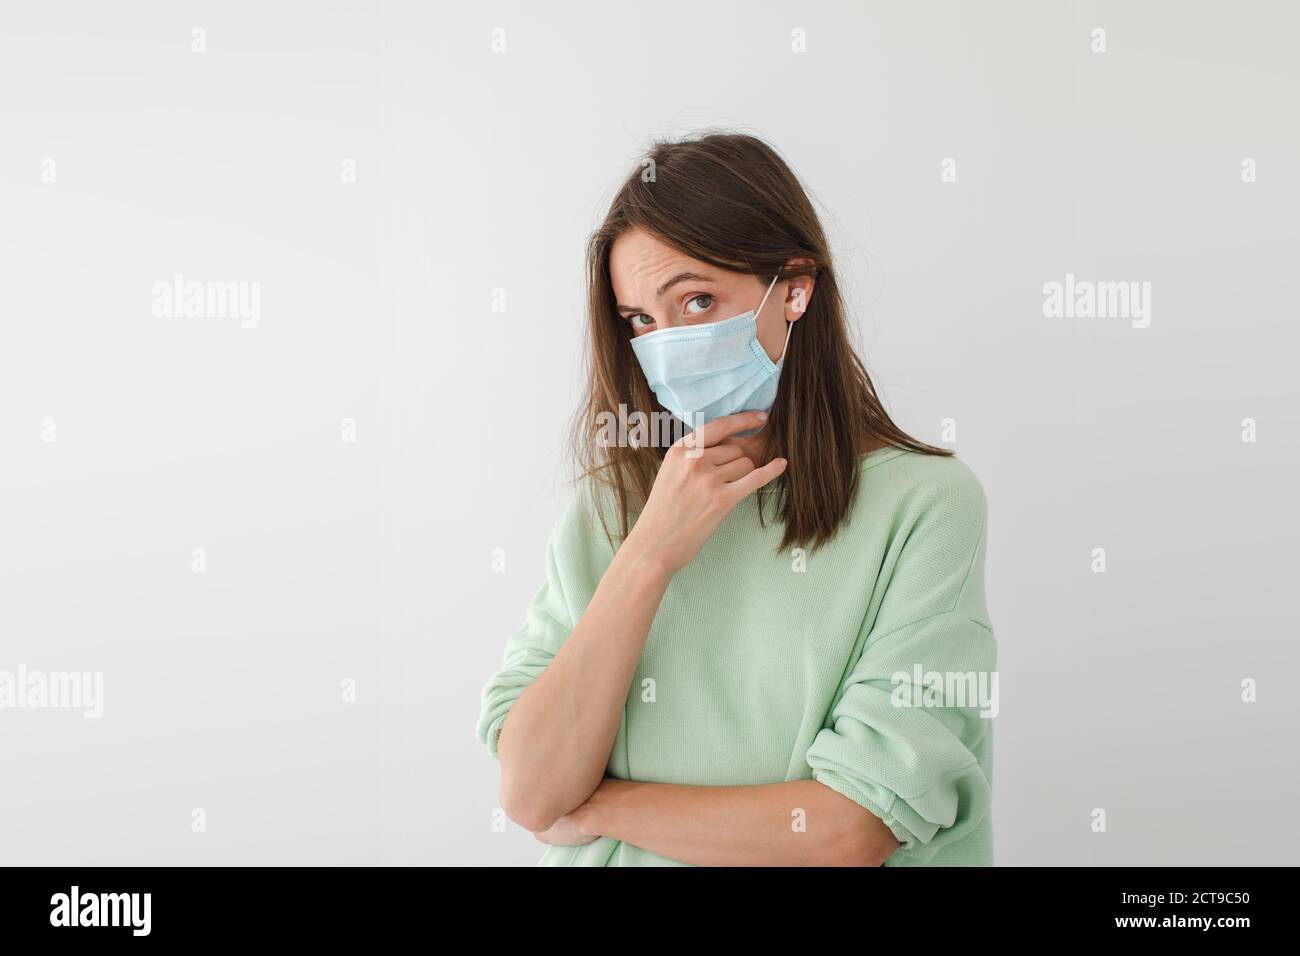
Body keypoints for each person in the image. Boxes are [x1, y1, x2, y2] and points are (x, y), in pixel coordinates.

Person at [476, 131, 996, 866]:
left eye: (696, 300)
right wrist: (650, 556)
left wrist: (599, 805)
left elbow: (851, 828)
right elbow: (530, 791)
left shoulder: (925, 506)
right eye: (641, 322)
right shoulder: (616, 508)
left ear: (794, 288)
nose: (667, 345)